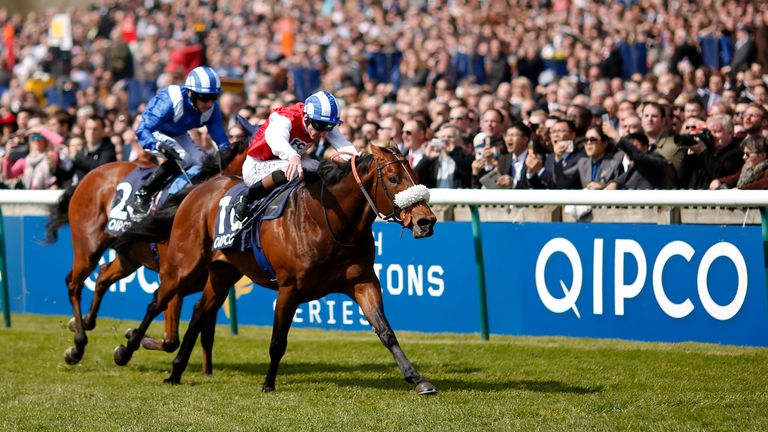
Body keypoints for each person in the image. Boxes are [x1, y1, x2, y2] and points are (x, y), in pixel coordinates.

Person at [233, 90, 357, 221]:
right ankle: (247, 196)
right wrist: (292, 155)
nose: (323, 133)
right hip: (256, 167)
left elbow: (344, 146)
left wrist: (360, 159)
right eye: (320, 126)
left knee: (317, 166)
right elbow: (275, 138)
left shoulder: (319, 121)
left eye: (330, 127)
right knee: (298, 167)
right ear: (306, 118)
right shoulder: (285, 117)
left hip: (285, 163)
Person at [127, 65, 229, 215]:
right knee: (182, 158)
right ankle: (143, 194)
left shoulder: (212, 108)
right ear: (190, 93)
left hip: (178, 134)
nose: (209, 104)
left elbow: (220, 138)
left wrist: (226, 150)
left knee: (203, 162)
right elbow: (143, 130)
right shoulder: (170, 100)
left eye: (213, 98)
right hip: (154, 132)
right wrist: (158, 146)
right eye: (204, 98)